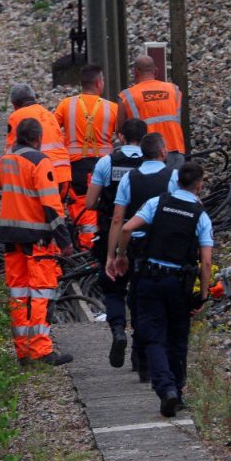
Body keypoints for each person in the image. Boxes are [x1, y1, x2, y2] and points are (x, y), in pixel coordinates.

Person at [114, 162, 214, 417]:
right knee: (178, 340)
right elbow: (206, 261)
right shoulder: (200, 215)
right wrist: (203, 294)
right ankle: (177, 393)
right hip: (178, 284)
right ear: (199, 185)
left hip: (149, 279)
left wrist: (121, 255)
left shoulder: (157, 203)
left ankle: (166, 389)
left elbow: (126, 228)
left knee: (153, 337)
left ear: (177, 180)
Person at [0, 117, 74, 366]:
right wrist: (65, 241)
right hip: (37, 240)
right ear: (38, 139)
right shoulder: (40, 162)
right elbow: (51, 205)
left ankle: (23, 351)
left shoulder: (6, 159)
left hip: (10, 238)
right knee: (40, 293)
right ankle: (41, 350)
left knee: (18, 295)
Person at [105, 133, 179, 377]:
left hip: (136, 245)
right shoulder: (172, 177)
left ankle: (139, 354)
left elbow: (118, 219)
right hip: (164, 247)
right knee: (159, 302)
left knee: (137, 297)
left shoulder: (129, 178)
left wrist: (113, 254)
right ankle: (152, 353)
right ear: (162, 152)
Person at [84, 118, 146, 368]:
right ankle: (139, 349)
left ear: (120, 137)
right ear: (144, 138)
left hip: (114, 230)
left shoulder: (106, 162)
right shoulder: (152, 164)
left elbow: (89, 203)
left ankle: (118, 329)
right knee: (142, 291)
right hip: (144, 236)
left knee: (113, 287)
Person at [55, 64, 118, 250]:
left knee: (83, 208)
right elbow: (124, 135)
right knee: (107, 204)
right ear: (99, 83)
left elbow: (52, 130)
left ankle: (86, 250)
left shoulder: (66, 105)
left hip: (77, 167)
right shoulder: (112, 108)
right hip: (106, 166)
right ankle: (104, 245)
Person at [116, 55, 185, 168]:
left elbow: (120, 131)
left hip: (145, 153)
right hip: (174, 149)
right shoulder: (174, 90)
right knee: (173, 184)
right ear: (156, 71)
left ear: (135, 72)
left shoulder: (126, 96)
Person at [5, 83, 72, 196]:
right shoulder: (49, 114)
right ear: (34, 97)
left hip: (42, 175)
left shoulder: (16, 116)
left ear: (14, 104)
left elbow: (10, 152)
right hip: (64, 175)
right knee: (55, 211)